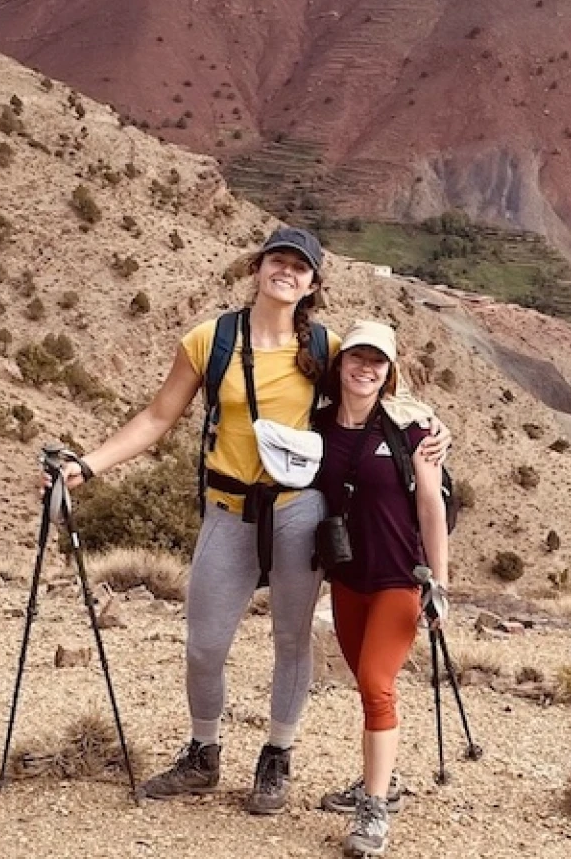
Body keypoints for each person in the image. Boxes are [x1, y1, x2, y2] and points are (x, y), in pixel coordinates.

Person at [54, 226, 447, 814]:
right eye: (277, 261)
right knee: (205, 647)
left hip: (298, 510)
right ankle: (203, 754)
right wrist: (90, 463)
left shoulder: (324, 345)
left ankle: (277, 755)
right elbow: (158, 416)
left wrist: (436, 428)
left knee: (290, 639)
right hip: (228, 508)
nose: (286, 272)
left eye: (300, 266)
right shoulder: (210, 340)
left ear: (313, 282)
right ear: (258, 268)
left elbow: (385, 385)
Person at [312, 320, 450, 858]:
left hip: (400, 578)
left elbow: (431, 506)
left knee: (376, 682)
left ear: (389, 372)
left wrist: (439, 584)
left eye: (377, 361)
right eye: (357, 358)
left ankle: (374, 807)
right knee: (364, 684)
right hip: (347, 579)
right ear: (341, 363)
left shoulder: (410, 429)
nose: (365, 368)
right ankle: (379, 781)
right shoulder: (318, 425)